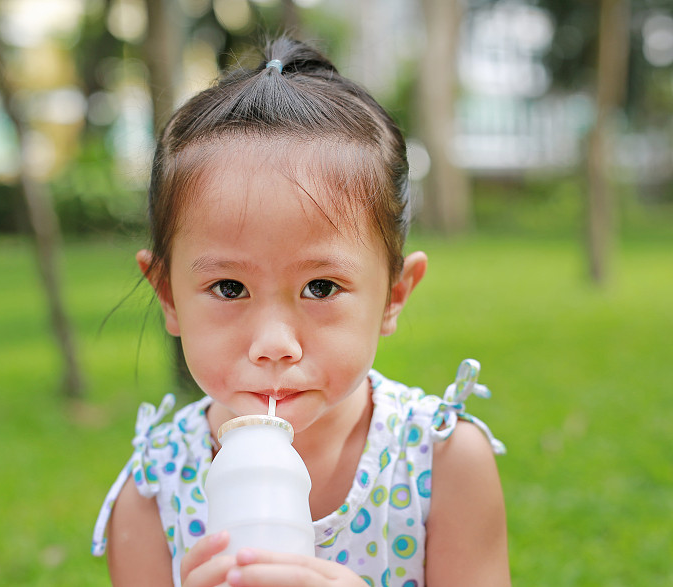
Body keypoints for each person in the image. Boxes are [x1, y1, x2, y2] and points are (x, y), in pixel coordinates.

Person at [91, 37, 510, 587]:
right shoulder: (154, 491)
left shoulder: (441, 464)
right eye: (229, 287)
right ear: (168, 295)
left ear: (394, 295)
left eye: (320, 287)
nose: (273, 342)